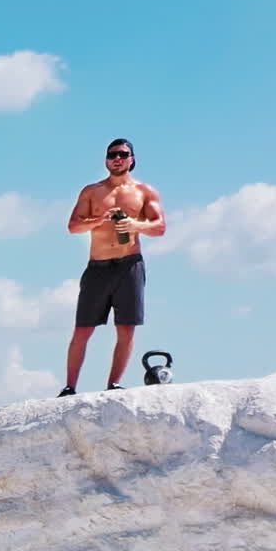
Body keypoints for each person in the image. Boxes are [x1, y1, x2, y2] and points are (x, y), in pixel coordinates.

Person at [58, 139, 166, 395]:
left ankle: (113, 385)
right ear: (106, 160)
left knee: (126, 327)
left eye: (122, 154)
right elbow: (73, 226)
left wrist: (134, 225)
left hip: (129, 265)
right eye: (112, 155)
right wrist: (99, 220)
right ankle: (69, 387)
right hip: (98, 266)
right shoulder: (92, 191)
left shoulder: (144, 191)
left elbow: (159, 227)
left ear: (132, 158)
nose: (117, 158)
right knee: (83, 329)